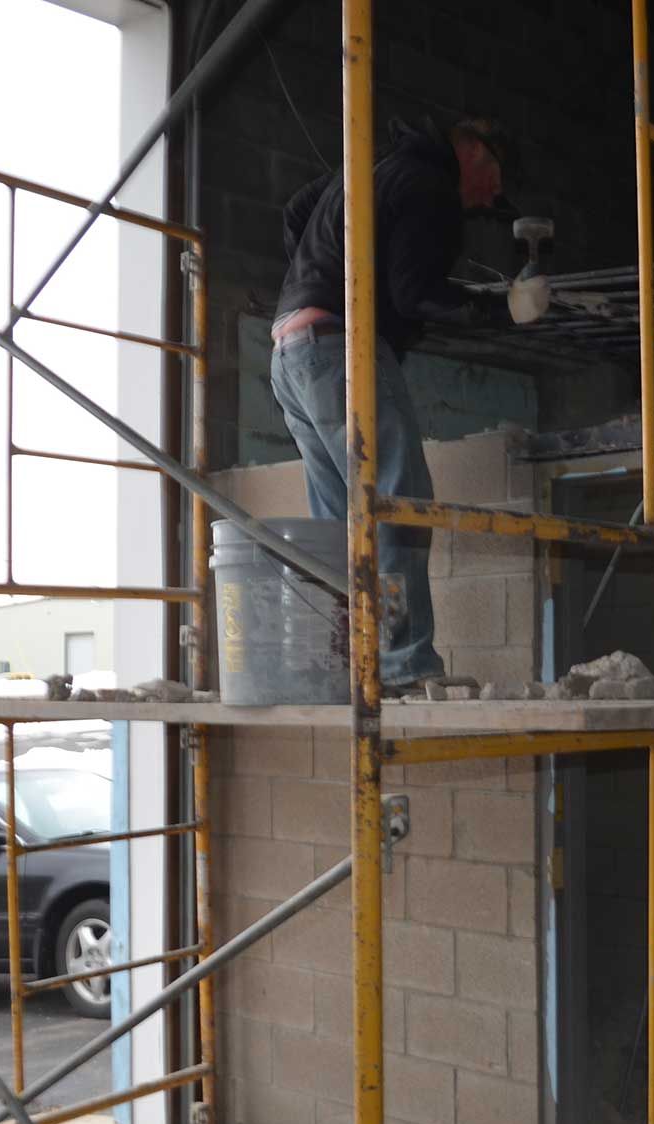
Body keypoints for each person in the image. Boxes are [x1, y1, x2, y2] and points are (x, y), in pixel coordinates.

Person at [268, 116, 550, 694]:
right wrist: (504, 310)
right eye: (493, 176)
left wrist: (315, 280)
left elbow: (298, 210)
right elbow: (413, 293)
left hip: (289, 353)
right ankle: (401, 664)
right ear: (470, 148)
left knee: (341, 519)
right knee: (399, 500)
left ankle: (350, 662)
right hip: (341, 350)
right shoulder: (429, 185)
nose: (491, 195)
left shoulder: (373, 169)